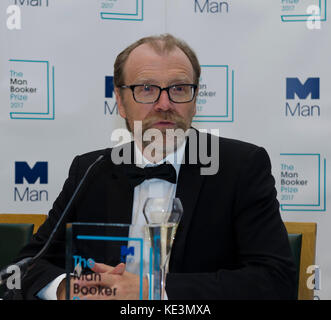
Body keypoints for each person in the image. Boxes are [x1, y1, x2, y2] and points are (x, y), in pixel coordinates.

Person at [13, 34, 296, 300]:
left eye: (179, 88)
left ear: (195, 100)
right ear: (121, 102)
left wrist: (151, 290)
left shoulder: (241, 167)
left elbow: (275, 280)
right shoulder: (90, 170)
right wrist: (71, 288)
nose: (164, 103)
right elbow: (25, 267)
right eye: (146, 89)